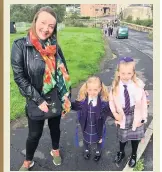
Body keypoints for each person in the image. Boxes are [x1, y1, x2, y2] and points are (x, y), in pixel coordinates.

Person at [11, 6, 71, 171]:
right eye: (43, 23)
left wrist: (66, 99)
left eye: (51, 26)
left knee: (55, 129)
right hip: (35, 98)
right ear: (35, 20)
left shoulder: (55, 47)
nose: (46, 29)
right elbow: (19, 78)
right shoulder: (20, 46)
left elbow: (64, 74)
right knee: (34, 134)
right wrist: (38, 100)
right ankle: (28, 160)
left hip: (55, 97)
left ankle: (55, 149)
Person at [109, 57, 148, 168]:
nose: (126, 76)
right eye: (123, 73)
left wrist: (143, 118)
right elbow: (111, 101)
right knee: (123, 137)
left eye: (129, 73)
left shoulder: (138, 86)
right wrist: (115, 114)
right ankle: (121, 152)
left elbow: (144, 102)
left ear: (133, 73)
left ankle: (134, 154)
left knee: (134, 137)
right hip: (122, 116)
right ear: (118, 73)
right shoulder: (115, 86)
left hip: (136, 115)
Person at [71, 76, 121, 162]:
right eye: (90, 90)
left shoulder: (103, 103)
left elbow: (110, 111)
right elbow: (74, 106)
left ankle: (98, 152)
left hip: (98, 126)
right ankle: (86, 150)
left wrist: (117, 117)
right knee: (85, 137)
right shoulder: (83, 101)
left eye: (95, 90)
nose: (92, 92)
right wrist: (67, 104)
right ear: (86, 89)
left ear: (100, 89)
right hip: (86, 125)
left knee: (99, 139)